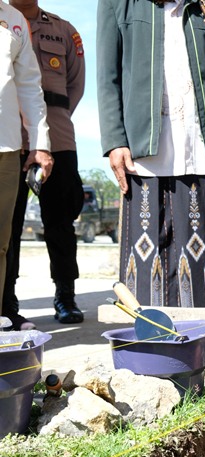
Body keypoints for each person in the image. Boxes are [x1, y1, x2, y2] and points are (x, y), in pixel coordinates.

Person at [97, 0, 205, 308]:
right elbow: (107, 75)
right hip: (142, 153)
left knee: (203, 261)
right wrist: (114, 140)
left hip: (204, 152)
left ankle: (200, 347)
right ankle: (147, 348)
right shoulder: (118, 3)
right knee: (143, 268)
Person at [4, 0, 85, 329]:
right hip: (9, 139)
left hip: (57, 138)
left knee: (61, 222)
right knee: (6, 227)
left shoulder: (64, 31)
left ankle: (65, 295)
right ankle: (6, 301)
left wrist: (50, 126)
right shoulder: (5, 21)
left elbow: (75, 86)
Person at [0, 1, 53, 330]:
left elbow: (30, 86)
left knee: (1, 242)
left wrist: (40, 143)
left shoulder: (14, 19)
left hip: (6, 148)